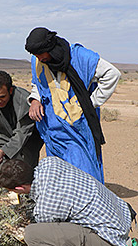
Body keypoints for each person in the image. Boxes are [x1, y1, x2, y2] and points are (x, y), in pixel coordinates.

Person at [0, 157, 134, 246]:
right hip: (121, 215)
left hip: (109, 238)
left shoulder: (46, 206)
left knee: (32, 235)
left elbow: (49, 230)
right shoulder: (50, 162)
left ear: (20, 188)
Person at [25, 27, 121, 183]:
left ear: (50, 47)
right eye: (35, 55)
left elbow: (112, 74)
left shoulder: (79, 56)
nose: (38, 58)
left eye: (40, 54)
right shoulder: (38, 60)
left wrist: (89, 103)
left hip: (77, 130)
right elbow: (38, 83)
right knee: (60, 176)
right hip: (53, 131)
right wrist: (35, 99)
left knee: (84, 175)